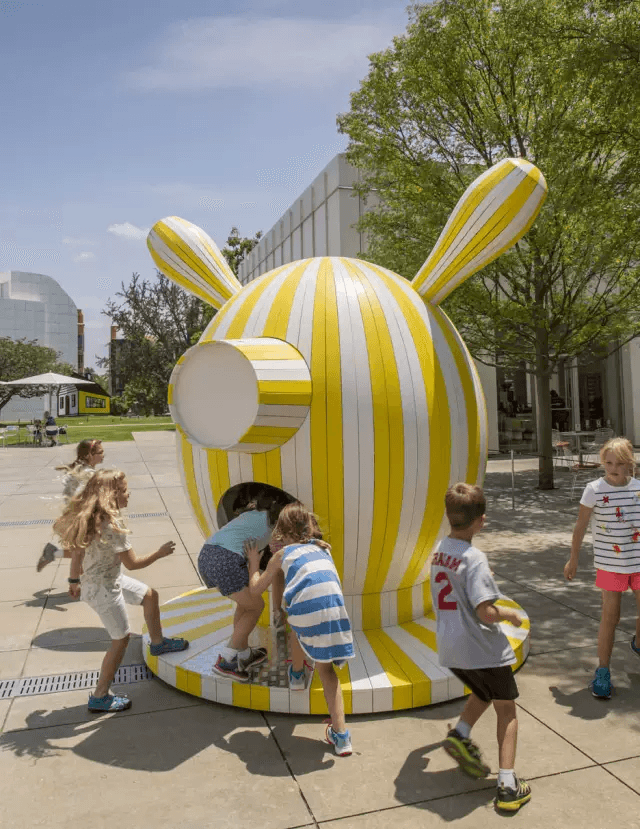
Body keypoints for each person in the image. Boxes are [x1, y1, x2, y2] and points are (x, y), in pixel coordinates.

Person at [53, 469, 189, 712]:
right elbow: (133, 564)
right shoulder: (113, 525)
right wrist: (160, 553)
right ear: (111, 495)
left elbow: (77, 552)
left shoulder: (92, 518)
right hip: (104, 589)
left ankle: (157, 643)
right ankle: (100, 696)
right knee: (121, 639)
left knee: (150, 595)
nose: (129, 494)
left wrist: (74, 580)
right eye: (125, 490)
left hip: (101, 580)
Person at [431, 482, 531, 813]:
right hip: (481, 647)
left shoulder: (439, 549)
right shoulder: (474, 558)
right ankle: (506, 785)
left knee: (484, 691)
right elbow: (485, 610)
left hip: (451, 648)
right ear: (481, 521)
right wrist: (511, 615)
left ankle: (460, 733)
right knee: (508, 711)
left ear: (448, 516)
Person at [245, 502, 355, 757]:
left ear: (281, 532)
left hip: (307, 610)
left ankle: (296, 676)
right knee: (326, 671)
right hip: (334, 609)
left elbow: (255, 590)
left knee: (297, 623)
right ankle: (342, 737)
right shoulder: (323, 548)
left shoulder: (281, 555)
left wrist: (254, 564)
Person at [564, 437, 640, 699]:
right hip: (611, 566)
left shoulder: (639, 489)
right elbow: (580, 526)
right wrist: (573, 558)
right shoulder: (594, 489)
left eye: (619, 463)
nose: (613, 468)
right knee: (611, 617)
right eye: (608, 462)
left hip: (639, 563)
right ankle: (603, 671)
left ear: (629, 464)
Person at [197, 489, 283, 681]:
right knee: (256, 606)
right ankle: (227, 660)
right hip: (228, 559)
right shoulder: (276, 526)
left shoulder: (251, 514)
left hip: (207, 553)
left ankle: (243, 652)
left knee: (245, 605)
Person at [37, 439, 105, 571]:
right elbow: (78, 495)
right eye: (100, 452)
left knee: (84, 552)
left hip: (79, 516)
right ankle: (78, 584)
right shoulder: (88, 474)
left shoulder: (84, 470)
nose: (103, 455)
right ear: (88, 455)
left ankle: (53, 554)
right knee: (84, 552)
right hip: (82, 518)